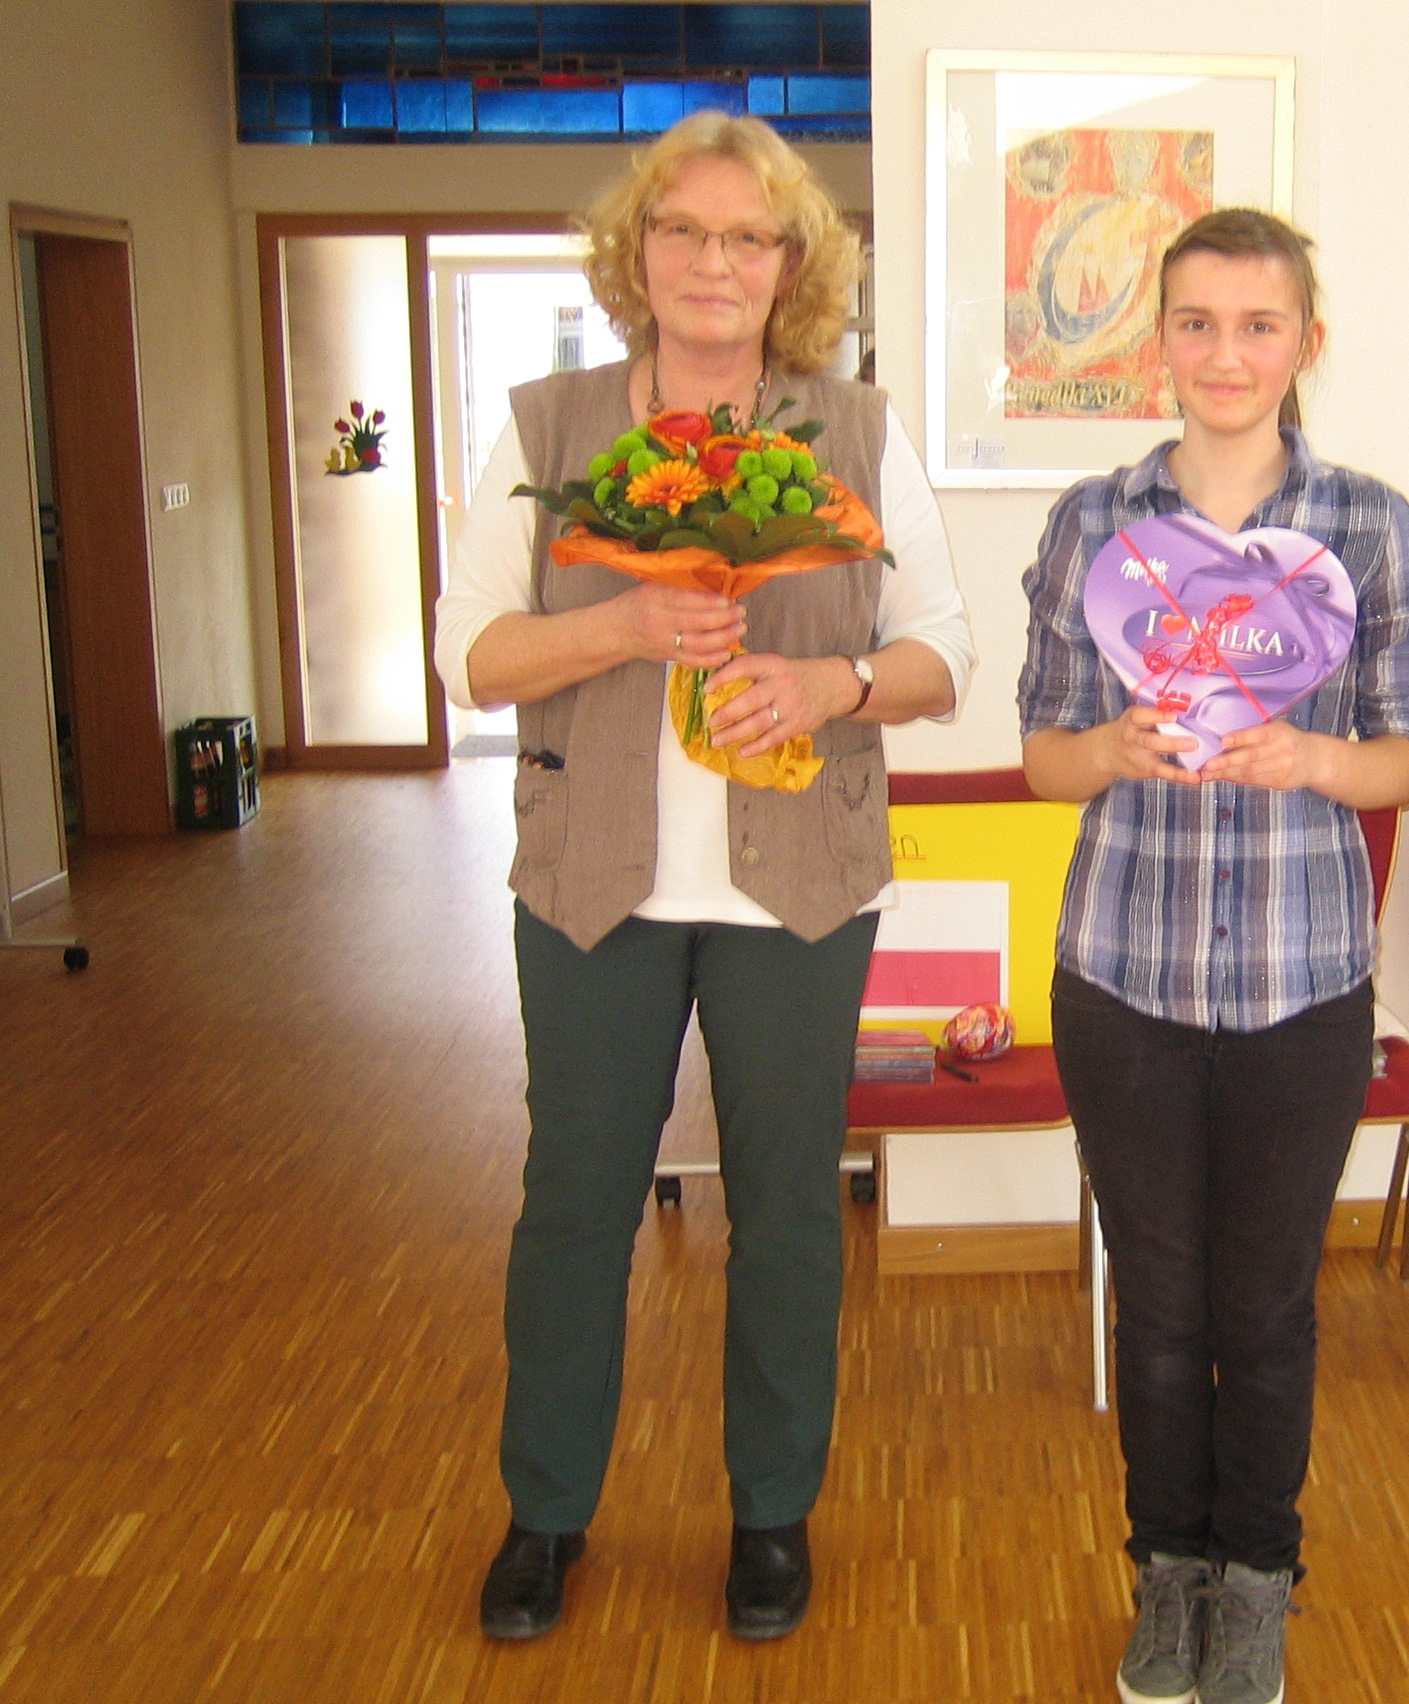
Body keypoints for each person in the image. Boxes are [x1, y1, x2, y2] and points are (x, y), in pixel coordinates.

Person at [431, 111, 974, 1643]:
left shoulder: (856, 431)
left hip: (797, 889)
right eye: (684, 229)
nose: (714, 261)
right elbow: (469, 657)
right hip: (589, 883)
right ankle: (546, 1512)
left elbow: (947, 655)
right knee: (573, 1204)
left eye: (748, 236)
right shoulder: (548, 430)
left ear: (791, 264)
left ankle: (771, 1516)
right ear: (638, 252)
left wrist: (832, 686)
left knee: (789, 1211)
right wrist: (620, 624)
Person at [1018, 210, 1409, 1704]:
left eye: (1259, 325)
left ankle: (1257, 1583)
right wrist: (1113, 747)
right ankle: (1167, 1576)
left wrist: (1312, 760)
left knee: (1265, 1309)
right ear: (1160, 343)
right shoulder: (1094, 525)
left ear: (1306, 343)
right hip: (1120, 975)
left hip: (1300, 982)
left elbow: (1406, 758)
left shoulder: (1370, 525)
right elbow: (1043, 760)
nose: (1226, 353)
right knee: (1159, 1303)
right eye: (1196, 323)